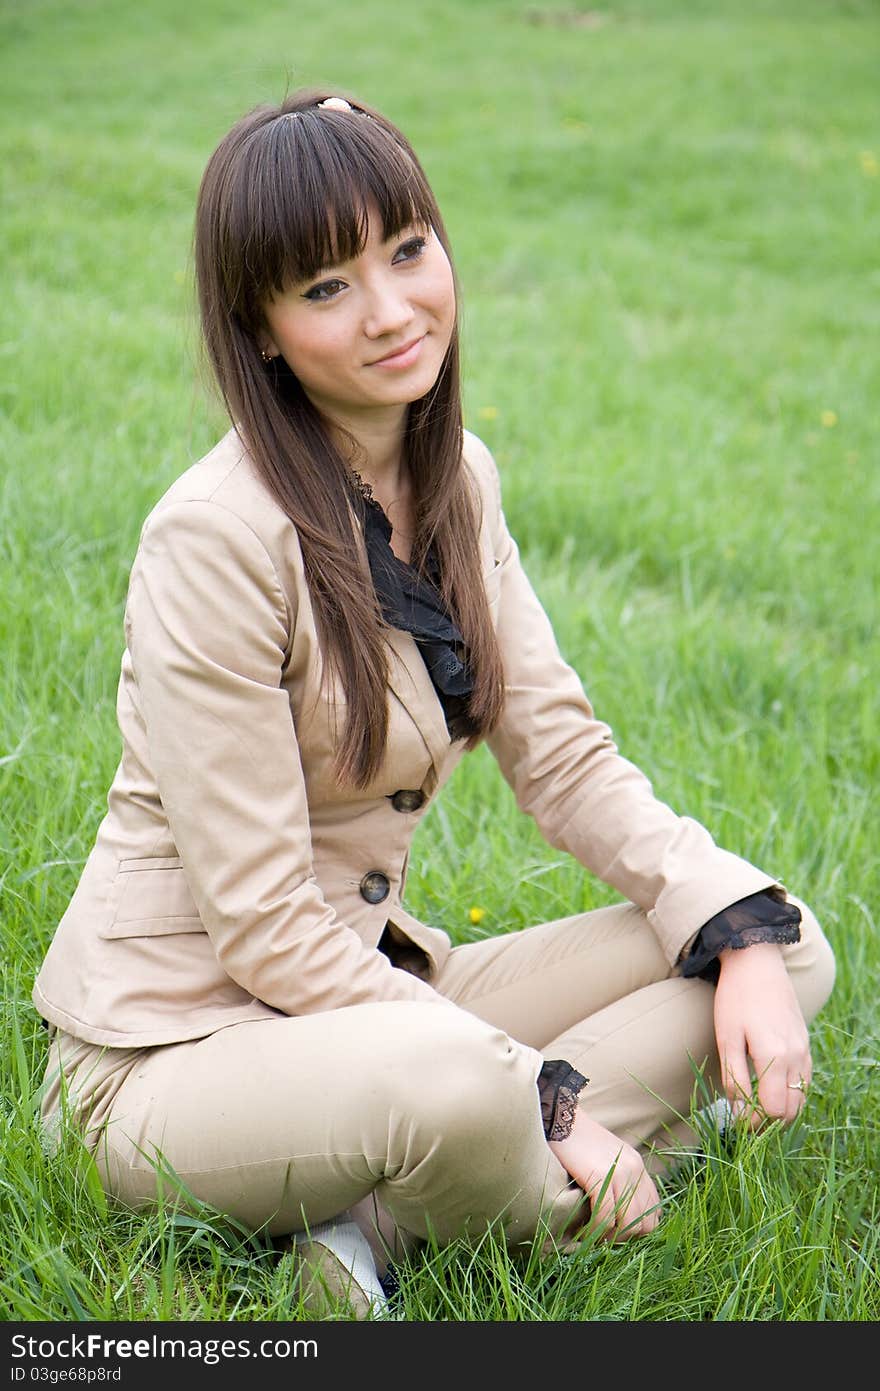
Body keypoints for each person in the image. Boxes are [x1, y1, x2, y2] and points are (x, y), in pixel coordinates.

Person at [33, 88, 836, 1320]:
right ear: (258, 327)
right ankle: (539, 1164)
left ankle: (368, 1234)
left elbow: (562, 754)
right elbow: (255, 922)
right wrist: (546, 1091)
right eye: (326, 287)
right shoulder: (214, 536)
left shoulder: (452, 474)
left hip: (368, 991)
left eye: (406, 252)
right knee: (466, 1094)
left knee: (772, 939)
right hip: (176, 1050)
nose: (394, 310)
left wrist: (725, 924)